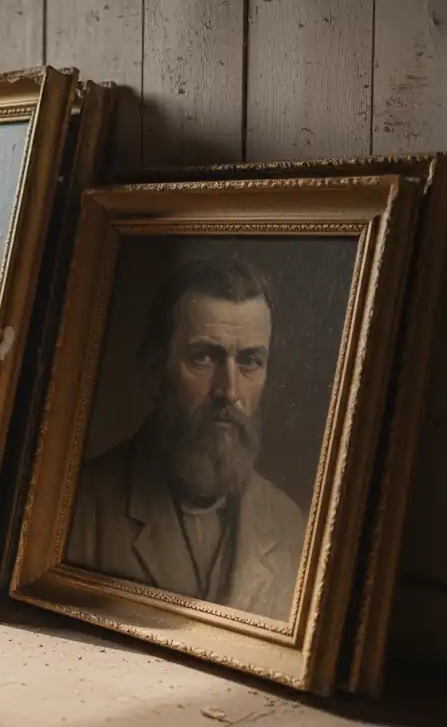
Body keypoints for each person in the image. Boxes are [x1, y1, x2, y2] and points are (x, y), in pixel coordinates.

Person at [66, 255, 306, 621]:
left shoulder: (288, 524)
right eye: (203, 358)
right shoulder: (81, 509)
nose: (229, 391)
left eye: (250, 361)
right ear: (154, 371)